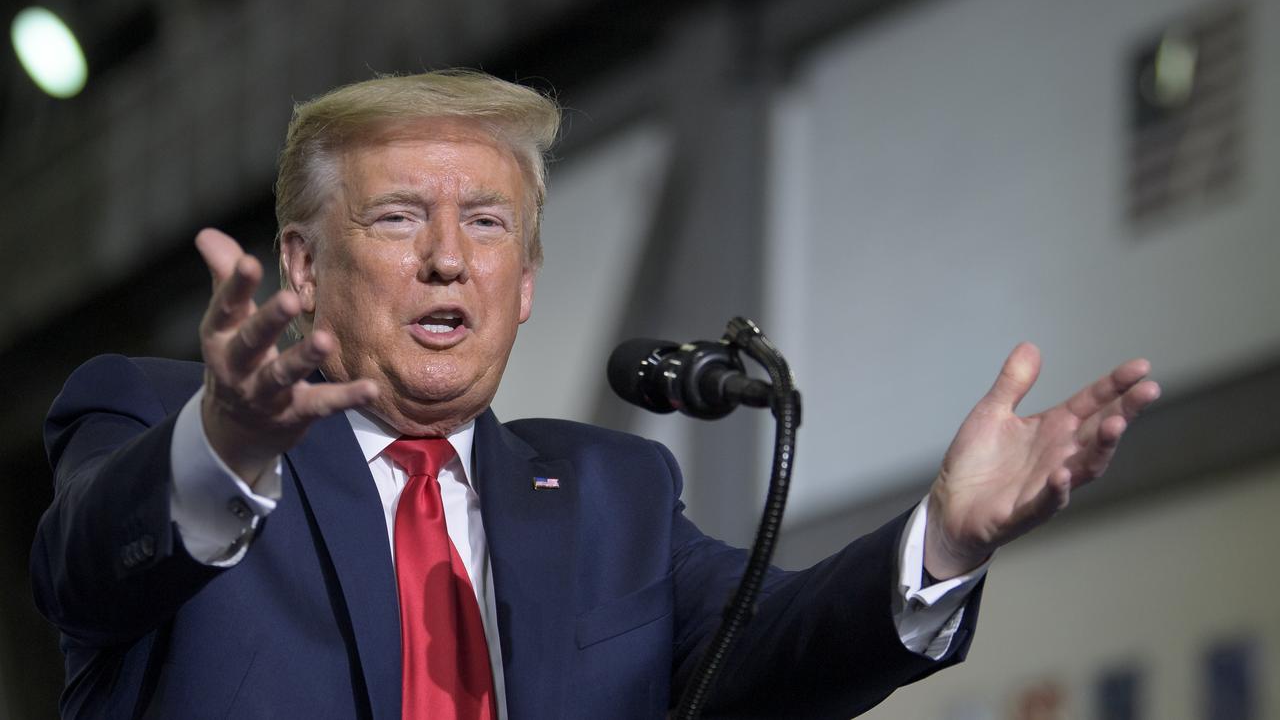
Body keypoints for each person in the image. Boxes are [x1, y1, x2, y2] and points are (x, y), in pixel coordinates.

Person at [32, 71, 1160, 720]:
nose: (446, 259)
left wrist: (945, 539)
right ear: (303, 266)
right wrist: (228, 444)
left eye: (485, 224)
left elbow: (780, 652)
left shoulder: (614, 492)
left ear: (524, 284)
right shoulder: (144, 414)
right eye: (394, 218)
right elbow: (83, 565)